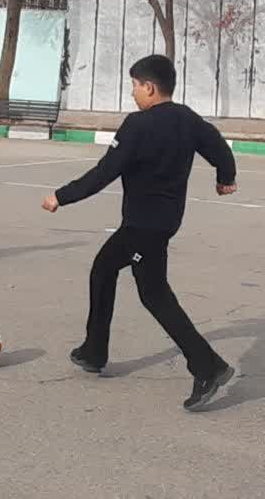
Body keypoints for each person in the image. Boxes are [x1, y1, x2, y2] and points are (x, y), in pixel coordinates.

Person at [41, 54, 238, 412]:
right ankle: (94, 351)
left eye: (134, 86)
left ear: (149, 87)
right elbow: (219, 146)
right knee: (121, 277)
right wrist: (226, 177)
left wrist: (61, 196)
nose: (132, 93)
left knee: (143, 289)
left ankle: (207, 365)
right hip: (163, 222)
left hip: (143, 226)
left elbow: (105, 172)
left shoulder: (138, 125)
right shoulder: (188, 119)